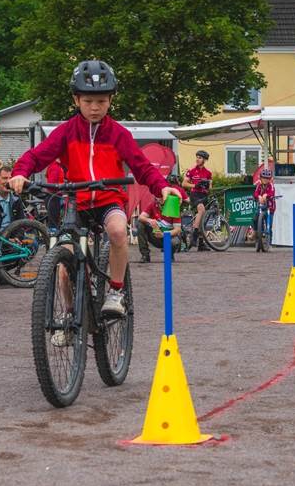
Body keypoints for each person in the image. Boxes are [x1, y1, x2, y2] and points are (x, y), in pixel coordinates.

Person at [10, 60, 179, 319]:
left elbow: (142, 167)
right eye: (88, 101)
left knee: (118, 231)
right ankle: (68, 315)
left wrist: (163, 187)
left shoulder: (119, 134)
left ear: (110, 100)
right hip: (75, 203)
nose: (95, 107)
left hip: (109, 200)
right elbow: (36, 156)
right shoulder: (66, 132)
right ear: (77, 100)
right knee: (64, 262)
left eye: (101, 101)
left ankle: (116, 291)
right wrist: (20, 173)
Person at [137, 174, 187, 263]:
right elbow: (141, 217)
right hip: (155, 236)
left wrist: (164, 235)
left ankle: (170, 255)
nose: (159, 198)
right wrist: (150, 220)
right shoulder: (153, 204)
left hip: (168, 237)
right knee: (140, 224)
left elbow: (177, 230)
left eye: (161, 195)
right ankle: (145, 255)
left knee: (175, 242)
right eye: (157, 196)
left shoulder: (173, 206)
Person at [182, 150, 213, 251]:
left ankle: (201, 244)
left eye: (199, 158)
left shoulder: (208, 173)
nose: (197, 159)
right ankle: (194, 234)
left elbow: (210, 187)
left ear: (204, 160)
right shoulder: (191, 171)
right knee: (201, 210)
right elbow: (184, 184)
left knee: (203, 218)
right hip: (195, 194)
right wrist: (195, 185)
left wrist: (207, 185)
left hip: (204, 195)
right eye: (197, 157)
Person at [44, 158, 67, 233]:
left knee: (54, 221)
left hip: (53, 196)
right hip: (53, 197)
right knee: (53, 224)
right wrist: (64, 187)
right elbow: (52, 185)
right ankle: (52, 240)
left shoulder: (53, 165)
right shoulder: (55, 167)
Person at [253, 168, 276, 234]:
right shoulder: (259, 185)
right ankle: (256, 231)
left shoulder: (271, 185)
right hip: (261, 206)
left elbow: (272, 193)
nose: (265, 180)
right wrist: (259, 196)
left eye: (267, 178)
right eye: (264, 178)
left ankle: (269, 242)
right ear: (260, 178)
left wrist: (266, 195)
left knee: (269, 224)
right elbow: (255, 193)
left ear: (270, 179)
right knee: (255, 219)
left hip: (270, 207)